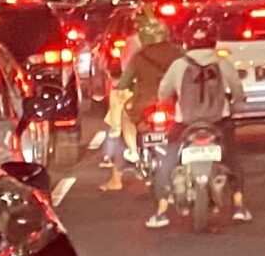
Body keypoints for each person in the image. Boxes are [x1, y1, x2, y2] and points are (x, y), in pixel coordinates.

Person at [148, 15, 249, 228]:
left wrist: (165, 101)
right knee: (232, 160)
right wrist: (237, 101)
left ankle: (161, 211)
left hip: (185, 124)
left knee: (167, 163)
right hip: (218, 122)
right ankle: (240, 206)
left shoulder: (178, 65)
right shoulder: (222, 63)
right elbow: (238, 92)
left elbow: (163, 92)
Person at [106, 13, 179, 194]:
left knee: (125, 116)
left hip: (145, 105)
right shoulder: (179, 53)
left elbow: (123, 84)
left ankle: (133, 151)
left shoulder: (139, 58)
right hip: (174, 103)